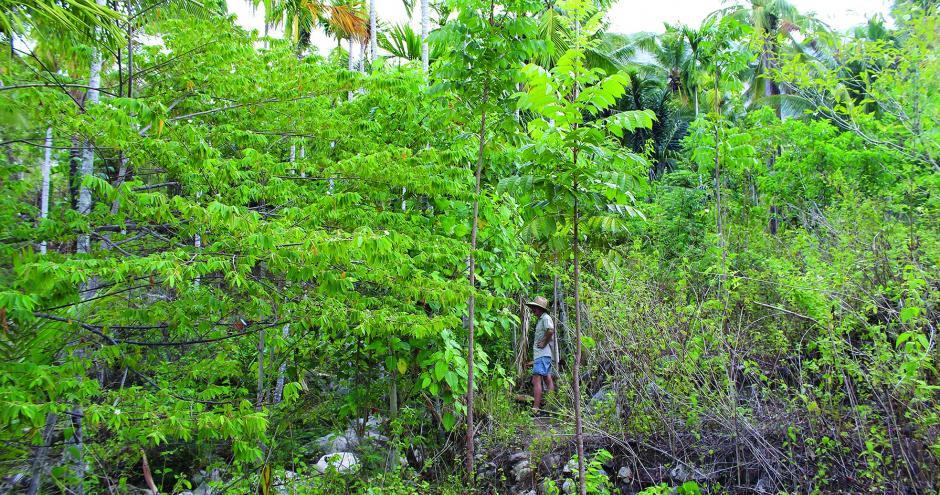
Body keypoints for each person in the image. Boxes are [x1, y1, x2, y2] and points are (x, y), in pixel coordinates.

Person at [526, 296, 555, 413]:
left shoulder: (545, 318)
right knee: (547, 378)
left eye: (535, 308)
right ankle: (550, 405)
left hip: (542, 354)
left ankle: (536, 407)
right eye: (533, 308)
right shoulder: (541, 319)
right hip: (543, 355)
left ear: (541, 309)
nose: (533, 310)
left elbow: (551, 330)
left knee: (536, 380)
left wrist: (544, 342)